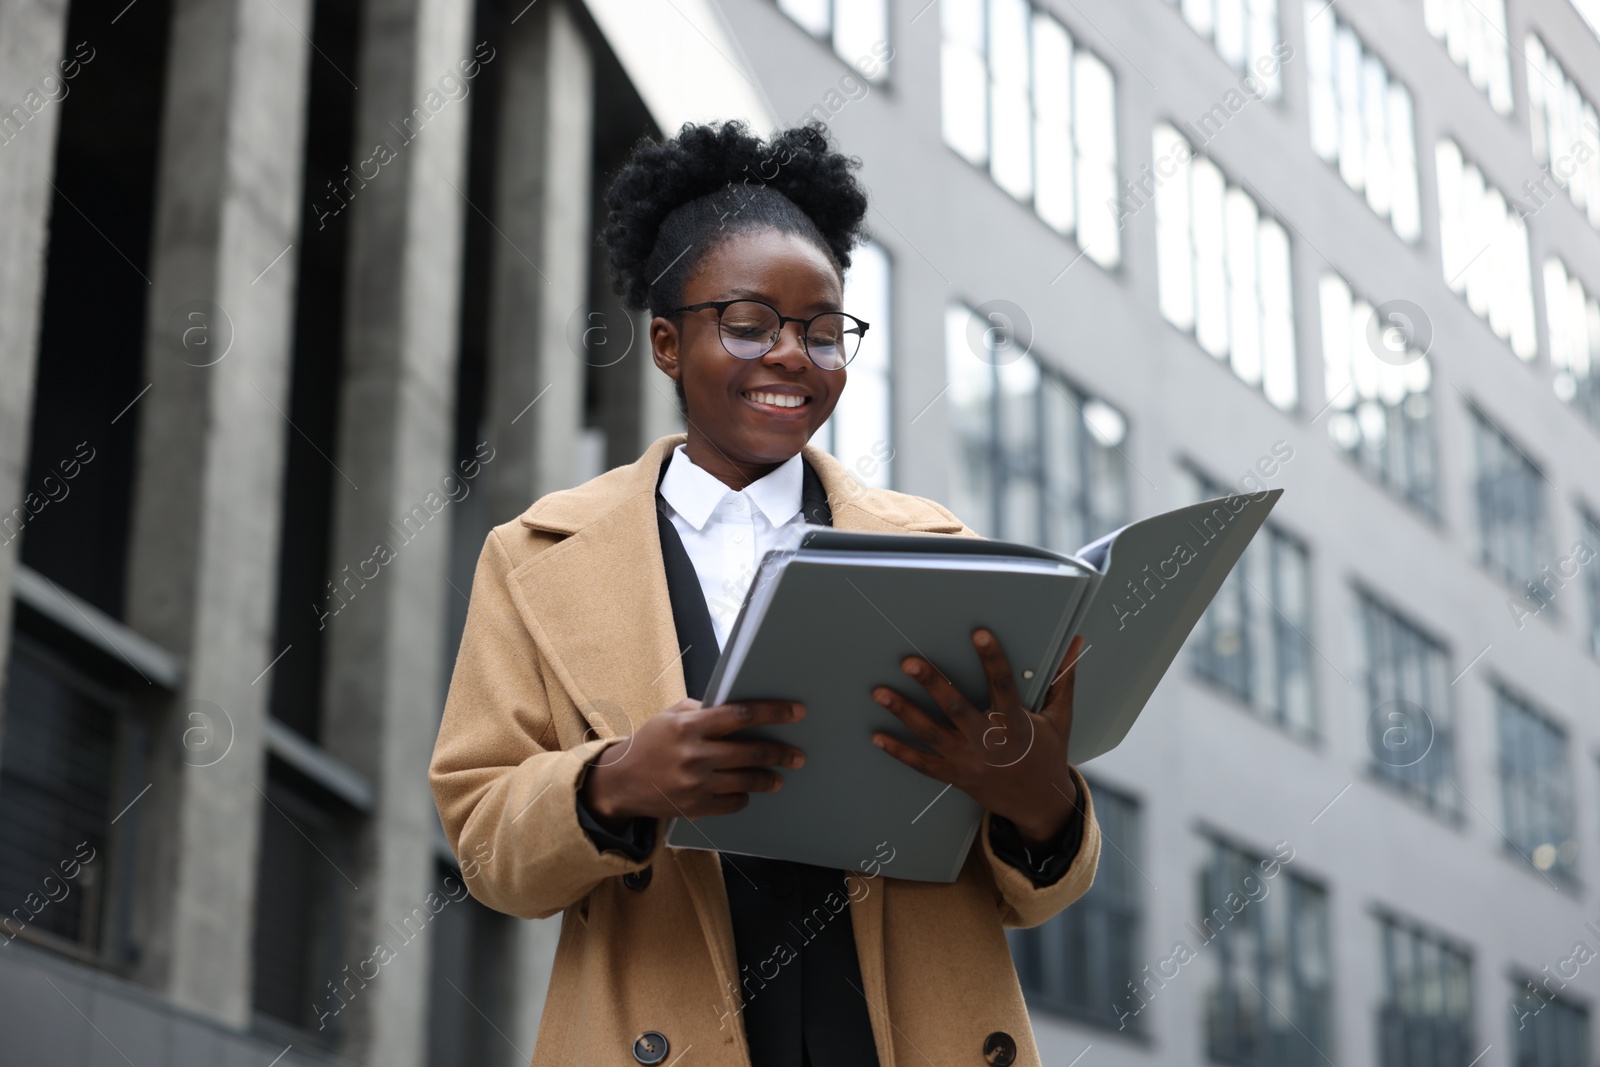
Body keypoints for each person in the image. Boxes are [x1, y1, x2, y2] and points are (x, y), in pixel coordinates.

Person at [429, 120, 1102, 1067]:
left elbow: (1038, 893)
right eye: (749, 325)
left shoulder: (943, 553)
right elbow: (486, 845)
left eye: (825, 333)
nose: (794, 355)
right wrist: (616, 783)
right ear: (667, 343)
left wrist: (1040, 802)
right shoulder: (536, 555)